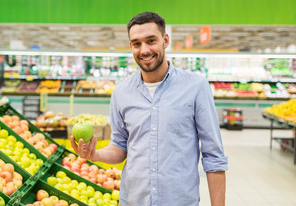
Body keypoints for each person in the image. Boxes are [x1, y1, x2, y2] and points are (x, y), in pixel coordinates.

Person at [71, 12, 228, 206]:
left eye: (151, 41)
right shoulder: (121, 92)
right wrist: (94, 154)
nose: (144, 50)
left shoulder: (195, 87)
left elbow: (214, 157)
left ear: (165, 40)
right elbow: (120, 147)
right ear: (131, 46)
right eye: (137, 43)